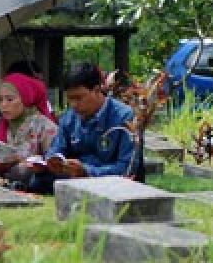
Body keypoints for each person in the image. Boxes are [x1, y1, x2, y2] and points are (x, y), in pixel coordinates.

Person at [27, 61, 138, 194]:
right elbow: (56, 149)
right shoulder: (69, 118)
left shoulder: (124, 116)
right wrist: (50, 163)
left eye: (79, 98)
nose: (74, 104)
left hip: (106, 177)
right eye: (70, 99)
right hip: (74, 175)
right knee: (37, 179)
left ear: (97, 90)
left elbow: (126, 166)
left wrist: (86, 170)